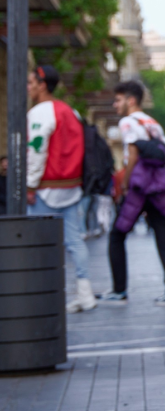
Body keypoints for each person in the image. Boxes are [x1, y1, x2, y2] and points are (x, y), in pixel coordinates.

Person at [100, 80, 165, 305]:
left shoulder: (128, 122)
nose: (114, 105)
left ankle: (119, 290)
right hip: (155, 186)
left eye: (118, 100)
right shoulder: (152, 122)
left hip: (139, 186)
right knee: (164, 236)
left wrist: (125, 183)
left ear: (131, 100)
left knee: (117, 235)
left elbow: (133, 153)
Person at [26, 65, 95, 312]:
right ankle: (85, 293)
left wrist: (30, 184)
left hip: (46, 187)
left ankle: (43, 292)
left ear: (42, 84)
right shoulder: (71, 112)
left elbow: (36, 149)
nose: (28, 87)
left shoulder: (39, 113)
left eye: (30, 82)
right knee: (74, 242)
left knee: (39, 242)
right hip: (71, 185)